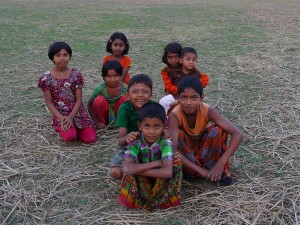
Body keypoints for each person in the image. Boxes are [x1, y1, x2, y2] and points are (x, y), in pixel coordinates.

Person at [168, 76, 243, 185]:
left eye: (194, 98)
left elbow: (238, 134)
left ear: (201, 98)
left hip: (204, 151)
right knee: (177, 136)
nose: (188, 102)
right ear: (178, 97)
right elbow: (173, 150)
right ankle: (195, 171)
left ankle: (217, 169)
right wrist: (201, 171)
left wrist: (221, 163)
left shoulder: (207, 110)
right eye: (184, 97)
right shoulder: (174, 116)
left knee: (219, 130)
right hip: (188, 154)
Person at [118, 102, 182, 210]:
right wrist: (157, 163)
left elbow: (167, 172)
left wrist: (136, 169)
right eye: (147, 126)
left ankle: (163, 201)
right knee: (130, 170)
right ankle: (140, 200)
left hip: (160, 182)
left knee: (177, 160)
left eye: (157, 126)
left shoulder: (165, 143)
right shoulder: (135, 142)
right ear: (139, 126)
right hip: (142, 182)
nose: (151, 132)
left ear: (164, 126)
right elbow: (127, 169)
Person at [38, 41, 96, 144]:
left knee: (90, 139)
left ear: (70, 56)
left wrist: (71, 117)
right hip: (60, 114)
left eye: (65, 55)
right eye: (58, 55)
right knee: (70, 136)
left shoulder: (76, 74)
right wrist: (62, 119)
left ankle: (78, 127)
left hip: (77, 112)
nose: (62, 58)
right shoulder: (46, 78)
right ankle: (70, 128)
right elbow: (49, 102)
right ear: (52, 58)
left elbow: (79, 99)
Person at [110, 74, 153, 180]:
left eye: (145, 92)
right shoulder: (124, 109)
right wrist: (127, 138)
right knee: (116, 173)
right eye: (135, 92)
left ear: (151, 94)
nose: (140, 95)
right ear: (127, 95)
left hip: (150, 145)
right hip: (127, 145)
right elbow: (121, 141)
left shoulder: (154, 108)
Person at [159, 45, 209, 114]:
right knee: (163, 102)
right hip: (175, 95)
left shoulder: (194, 72)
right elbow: (168, 87)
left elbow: (201, 84)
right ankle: (165, 120)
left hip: (190, 96)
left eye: (176, 57)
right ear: (181, 60)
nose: (173, 60)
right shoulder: (168, 70)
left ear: (180, 58)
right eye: (170, 57)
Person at [87, 60, 127, 129]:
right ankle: (102, 123)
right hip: (104, 116)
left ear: (120, 76)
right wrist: (96, 122)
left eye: (116, 76)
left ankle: (121, 122)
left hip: (119, 116)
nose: (112, 79)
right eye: (108, 76)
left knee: (126, 98)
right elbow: (89, 105)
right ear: (103, 77)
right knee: (99, 100)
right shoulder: (100, 89)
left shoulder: (125, 88)